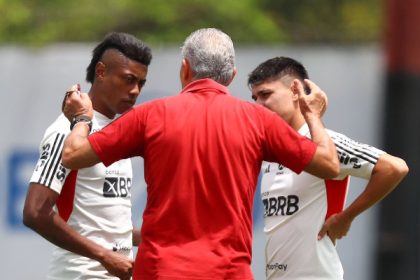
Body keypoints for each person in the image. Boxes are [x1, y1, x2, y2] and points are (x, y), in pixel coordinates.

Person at [60, 28, 340, 280]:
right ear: (231, 76)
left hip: (160, 271)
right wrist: (312, 115)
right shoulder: (258, 120)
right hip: (229, 273)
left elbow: (73, 155)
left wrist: (82, 118)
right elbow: (329, 165)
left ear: (185, 69)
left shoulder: (150, 115)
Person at [247, 56, 409, 280]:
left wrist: (346, 217)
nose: (259, 105)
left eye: (266, 95)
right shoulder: (272, 152)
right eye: (255, 98)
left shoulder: (325, 146)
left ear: (295, 91)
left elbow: (394, 168)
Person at [23, 32, 152, 280]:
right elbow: (35, 212)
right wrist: (104, 256)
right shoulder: (68, 130)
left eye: (141, 83)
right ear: (101, 71)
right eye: (128, 79)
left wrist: (151, 236)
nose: (135, 91)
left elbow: (103, 227)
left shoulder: (116, 132)